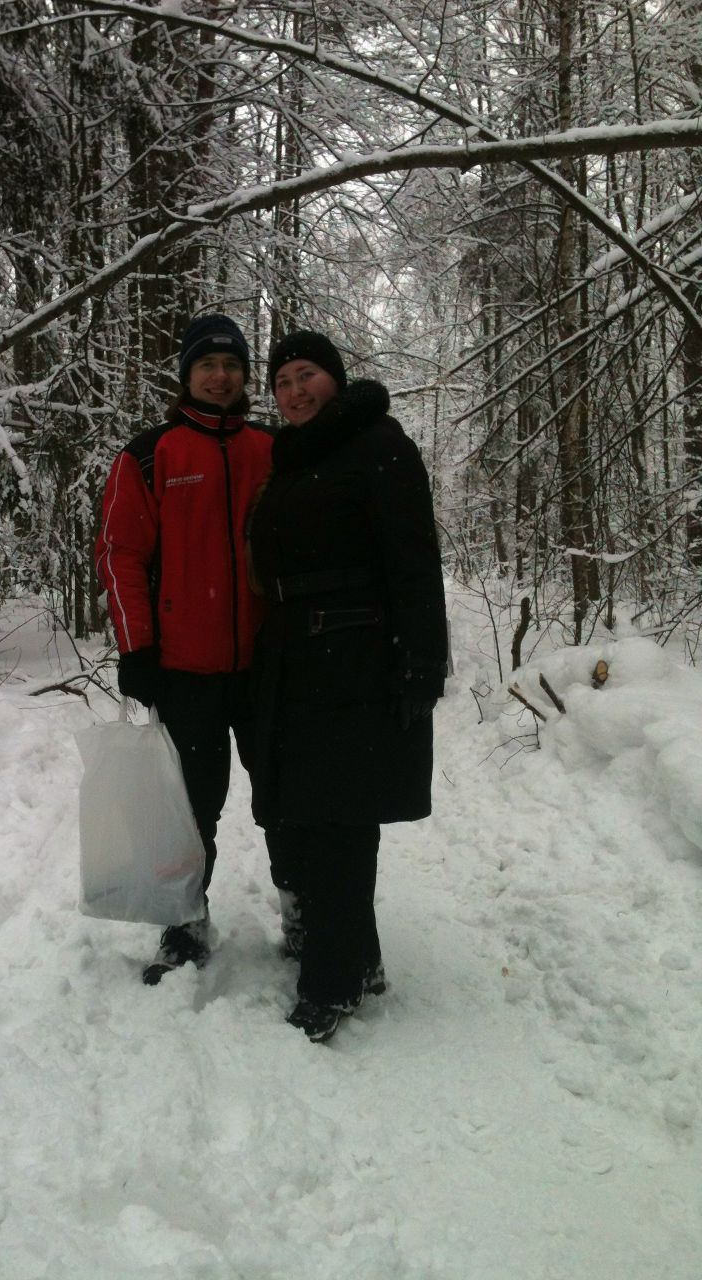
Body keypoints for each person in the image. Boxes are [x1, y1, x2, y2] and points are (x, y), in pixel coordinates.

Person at [248, 330, 448, 1042]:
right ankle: (357, 960)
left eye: (307, 376)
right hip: (293, 661)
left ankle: (330, 983)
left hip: (354, 659)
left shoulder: (378, 445)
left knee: (337, 821)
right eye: (282, 383)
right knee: (302, 815)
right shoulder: (293, 459)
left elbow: (415, 560)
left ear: (335, 378)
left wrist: (424, 660)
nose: (295, 391)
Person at [95, 313, 296, 984]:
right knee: (191, 809)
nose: (221, 376)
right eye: (208, 365)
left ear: (245, 377)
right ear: (187, 374)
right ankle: (185, 921)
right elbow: (120, 554)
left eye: (233, 366)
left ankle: (305, 911)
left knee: (288, 798)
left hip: (268, 665)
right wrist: (137, 648)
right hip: (186, 670)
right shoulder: (150, 455)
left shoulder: (273, 449)